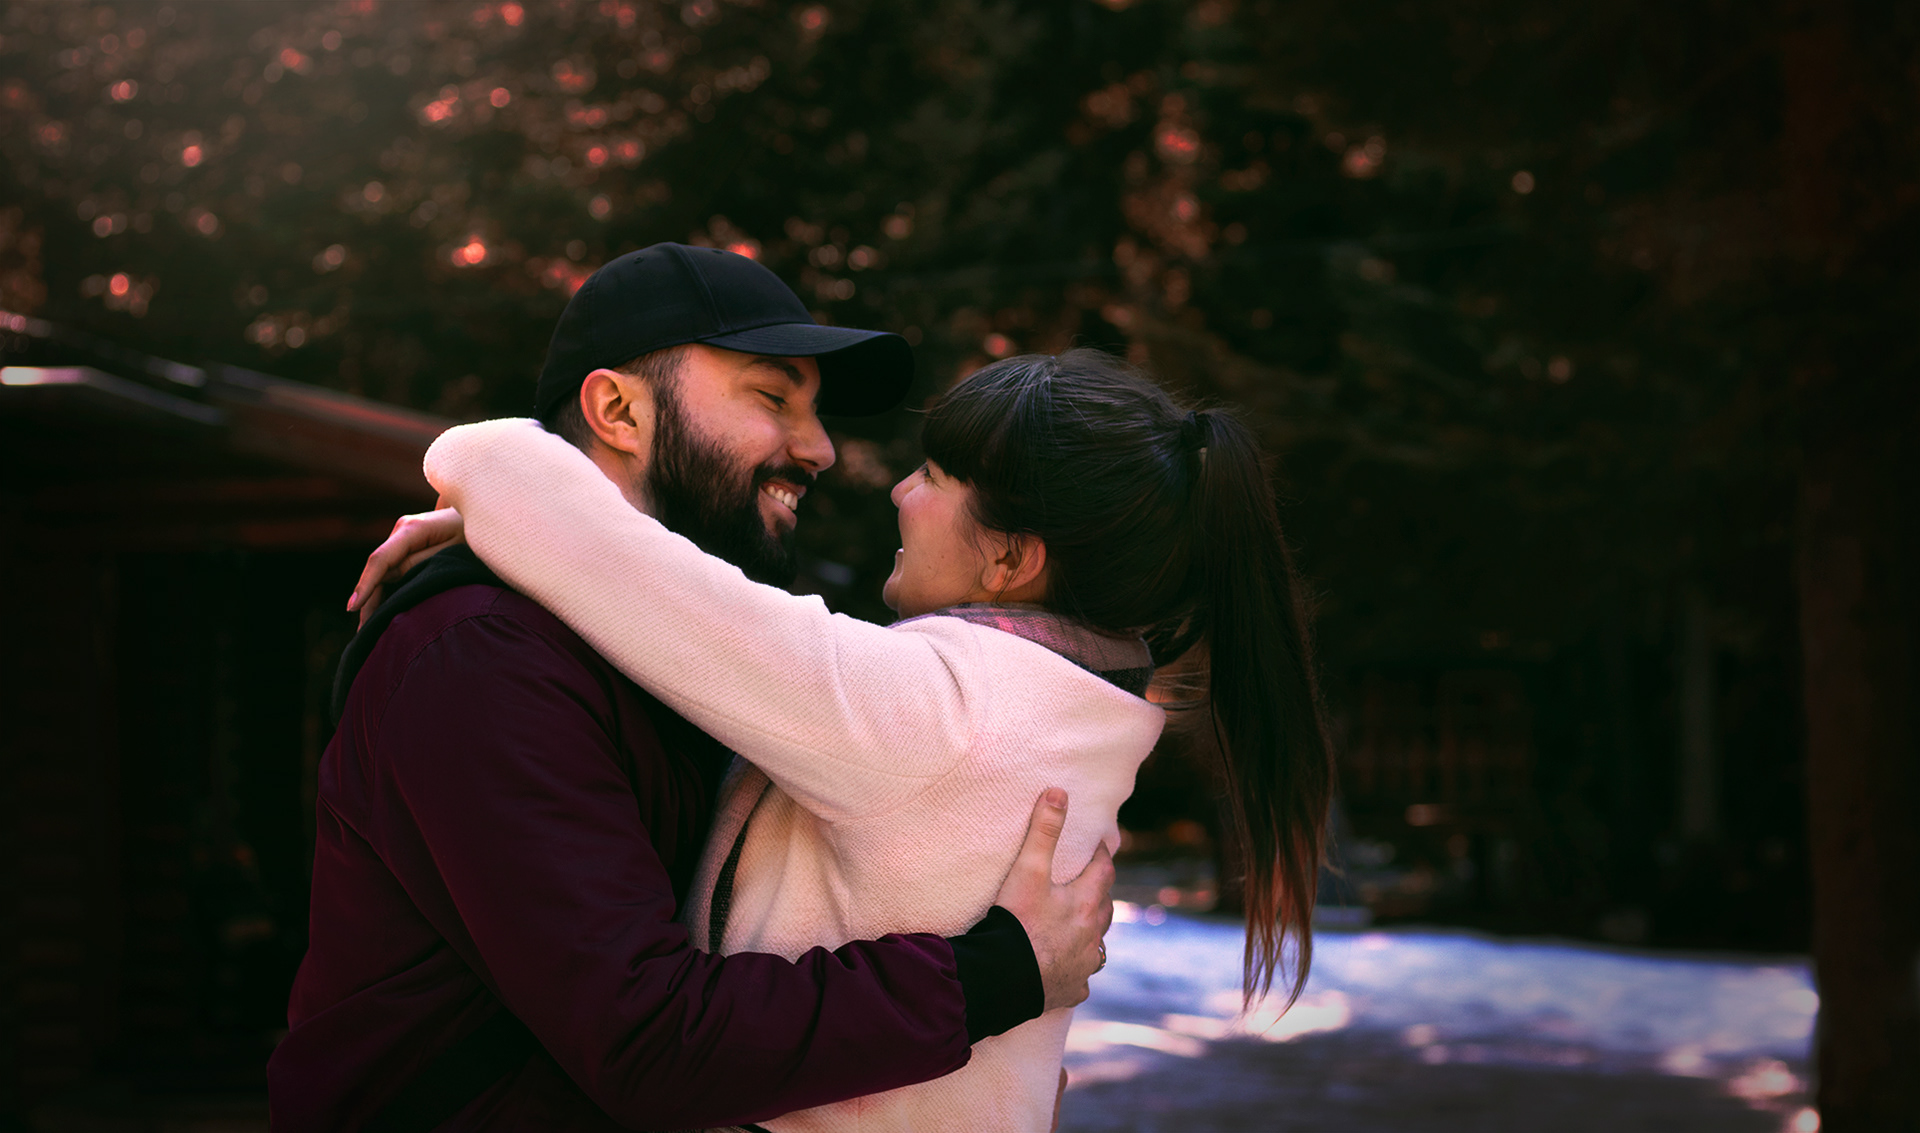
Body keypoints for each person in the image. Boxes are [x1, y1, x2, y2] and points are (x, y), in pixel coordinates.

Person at [363, 345, 1336, 1131]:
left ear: (1009, 556)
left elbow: (527, 484)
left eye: (935, 475)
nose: (897, 491)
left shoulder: (935, 708)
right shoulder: (1064, 714)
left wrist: (487, 497)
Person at [269, 244, 1116, 1133]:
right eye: (773, 397)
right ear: (618, 411)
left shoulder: (669, 656)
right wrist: (992, 977)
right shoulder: (486, 654)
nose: (820, 448)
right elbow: (648, 1038)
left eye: (816, 411)